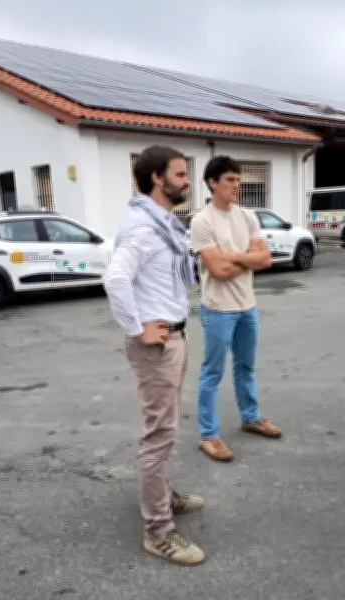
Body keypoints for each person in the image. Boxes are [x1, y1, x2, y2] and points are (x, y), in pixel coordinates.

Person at [103, 145, 206, 566]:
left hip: (172, 337)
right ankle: (158, 530)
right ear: (156, 179)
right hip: (158, 344)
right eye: (180, 175)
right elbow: (115, 279)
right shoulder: (143, 228)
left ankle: (160, 494)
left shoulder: (162, 223)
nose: (187, 182)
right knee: (159, 434)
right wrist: (136, 328)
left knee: (165, 428)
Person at [189, 155, 280, 462]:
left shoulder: (247, 216)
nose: (236, 186)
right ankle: (208, 435)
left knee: (245, 367)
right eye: (229, 180)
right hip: (217, 308)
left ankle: (251, 417)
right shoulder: (202, 221)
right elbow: (216, 270)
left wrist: (232, 257)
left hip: (247, 305)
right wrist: (246, 257)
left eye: (238, 180)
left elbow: (265, 260)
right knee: (212, 373)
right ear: (213, 183)